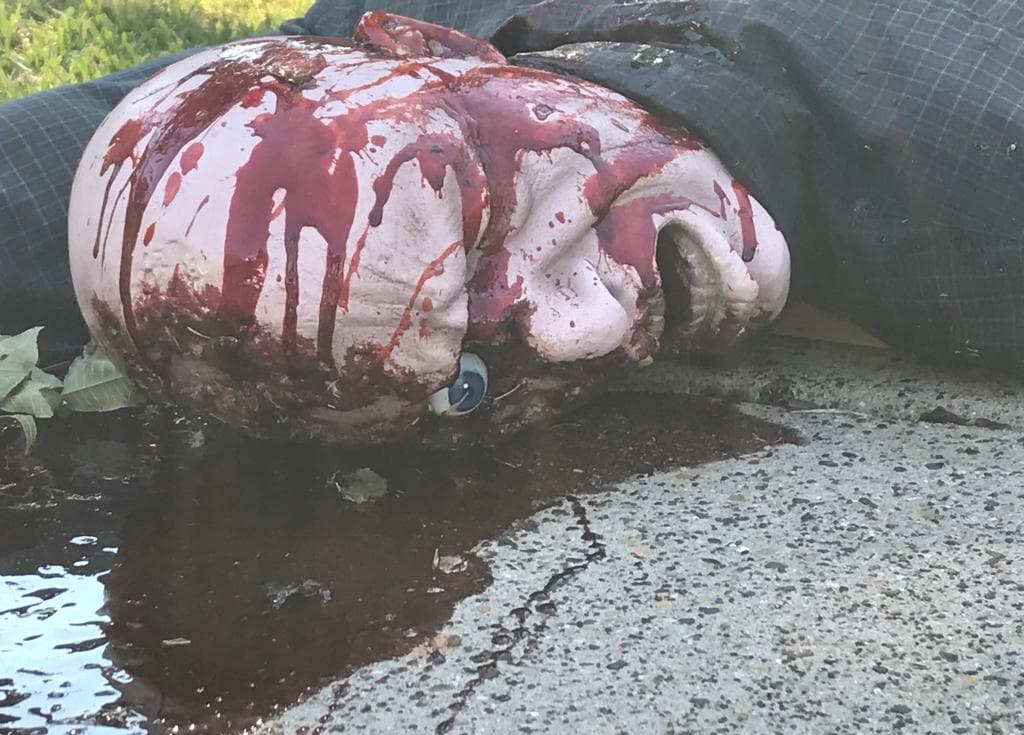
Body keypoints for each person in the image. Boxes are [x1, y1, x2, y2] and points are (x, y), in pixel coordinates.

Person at [3, 0, 1024, 372]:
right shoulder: (383, 47)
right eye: (471, 374)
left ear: (441, 53)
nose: (575, 339)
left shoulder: (970, 140)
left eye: (487, 228)